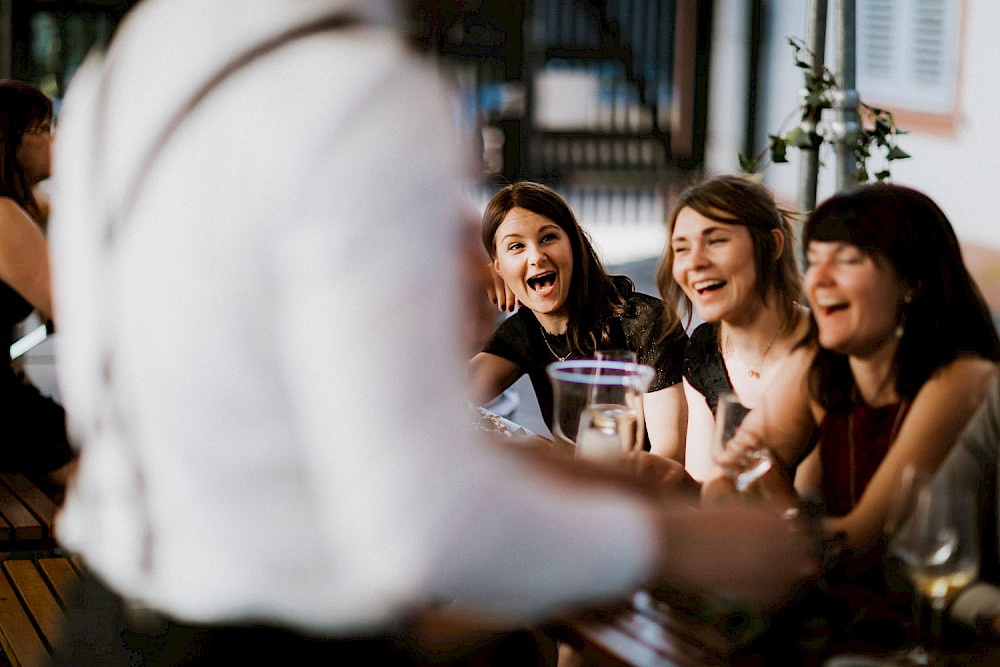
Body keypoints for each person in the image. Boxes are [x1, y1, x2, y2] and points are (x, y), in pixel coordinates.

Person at [47, 0, 815, 663]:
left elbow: (282, 425)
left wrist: (595, 484)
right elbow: (426, 528)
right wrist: (688, 544)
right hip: (262, 641)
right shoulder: (356, 89)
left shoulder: (139, 55)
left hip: (108, 617)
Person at [715, 183, 999, 556]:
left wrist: (774, 501)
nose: (818, 280)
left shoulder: (963, 377)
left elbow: (861, 538)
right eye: (814, 260)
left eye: (848, 260)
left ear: (911, 280)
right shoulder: (819, 364)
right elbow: (724, 484)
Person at [471, 181, 688, 460]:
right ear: (498, 266)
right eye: (516, 247)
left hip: (643, 496)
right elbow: (436, 401)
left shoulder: (645, 321)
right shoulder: (524, 331)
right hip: (575, 492)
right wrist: (470, 287)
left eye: (548, 237)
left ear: (573, 243)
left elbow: (669, 456)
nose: (536, 256)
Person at [656, 174, 809, 480]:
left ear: (773, 244)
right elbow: (705, 488)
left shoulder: (825, 343)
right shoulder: (704, 349)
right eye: (681, 249)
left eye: (716, 241)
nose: (695, 262)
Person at [0, 80, 74, 483]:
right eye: (43, 129)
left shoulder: (20, 205)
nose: (55, 139)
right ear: (11, 144)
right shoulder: (4, 215)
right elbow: (72, 309)